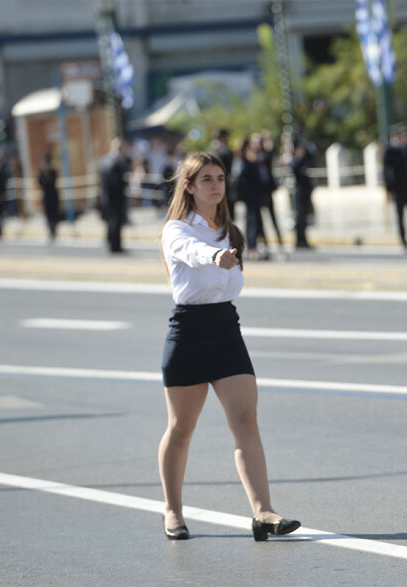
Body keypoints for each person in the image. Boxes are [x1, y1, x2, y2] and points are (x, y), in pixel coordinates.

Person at [158, 152, 300, 542]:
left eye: (220, 177)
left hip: (226, 330)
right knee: (181, 428)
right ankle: (172, 511)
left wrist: (225, 250)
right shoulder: (176, 230)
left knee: (245, 420)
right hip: (188, 333)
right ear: (188, 186)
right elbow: (191, 252)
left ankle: (263, 512)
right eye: (206, 179)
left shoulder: (229, 229)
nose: (216, 185)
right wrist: (214, 256)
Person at [99, 138, 130, 253]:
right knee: (115, 221)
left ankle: (113, 243)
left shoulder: (104, 160)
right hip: (115, 197)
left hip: (108, 197)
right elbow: (117, 182)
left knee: (112, 221)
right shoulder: (116, 161)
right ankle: (115, 245)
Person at [289, 138, 315, 249]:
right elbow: (293, 169)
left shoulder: (304, 159)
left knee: (304, 218)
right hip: (299, 192)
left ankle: (303, 240)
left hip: (305, 192)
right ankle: (299, 240)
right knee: (299, 218)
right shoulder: (295, 159)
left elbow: (312, 159)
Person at [36, 154, 60, 241]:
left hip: (52, 194)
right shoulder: (42, 172)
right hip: (47, 195)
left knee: (54, 213)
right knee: (48, 214)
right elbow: (39, 183)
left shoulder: (52, 171)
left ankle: (54, 229)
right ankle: (51, 230)